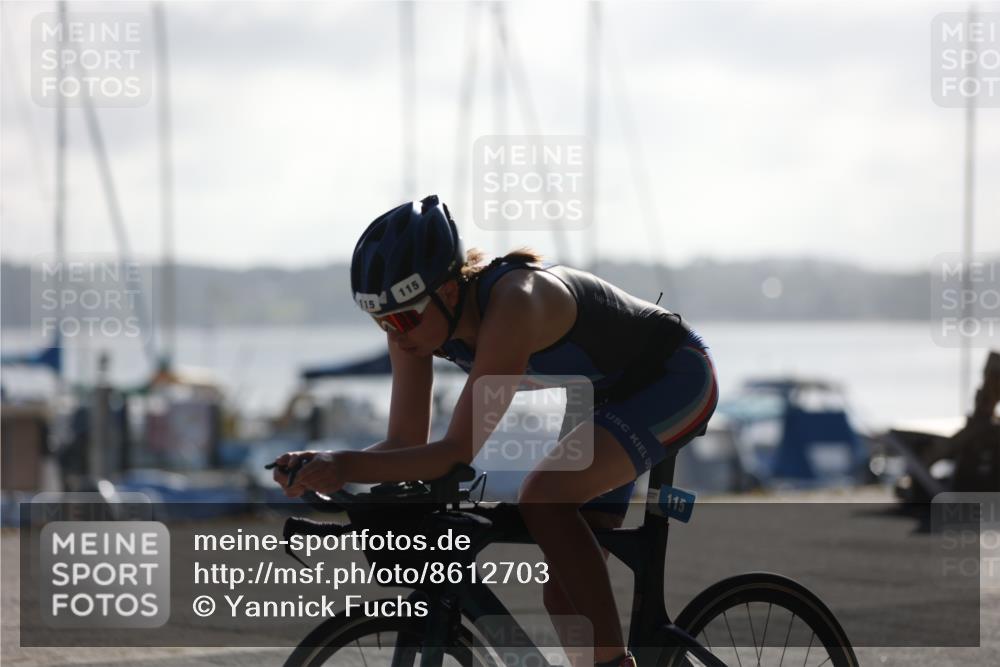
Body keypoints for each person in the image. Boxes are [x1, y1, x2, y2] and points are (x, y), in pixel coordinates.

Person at [273, 195, 718, 667]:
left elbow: (456, 451)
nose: (394, 334)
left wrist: (344, 467)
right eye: (380, 320)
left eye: (401, 318)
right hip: (600, 396)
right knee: (565, 599)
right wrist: (322, 465)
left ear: (446, 292)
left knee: (544, 496)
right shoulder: (417, 321)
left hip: (674, 378)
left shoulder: (514, 304)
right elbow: (405, 441)